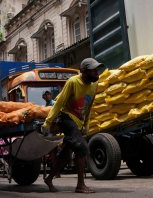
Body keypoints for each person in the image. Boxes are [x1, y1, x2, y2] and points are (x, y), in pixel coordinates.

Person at [42, 58, 105, 193]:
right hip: (65, 118)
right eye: (93, 70)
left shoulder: (94, 85)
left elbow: (89, 106)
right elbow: (59, 103)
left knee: (65, 154)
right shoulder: (73, 82)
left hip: (78, 122)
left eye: (97, 70)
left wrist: (86, 124)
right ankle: (80, 185)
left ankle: (49, 178)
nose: (97, 73)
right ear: (83, 71)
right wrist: (47, 122)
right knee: (82, 148)